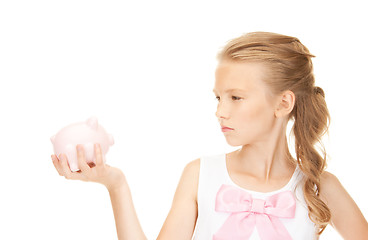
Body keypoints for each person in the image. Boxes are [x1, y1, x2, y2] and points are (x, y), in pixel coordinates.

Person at [51, 31, 368, 239]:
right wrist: (116, 185)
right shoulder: (201, 175)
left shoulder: (319, 187)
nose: (221, 111)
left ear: (283, 103)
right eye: (219, 97)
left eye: (236, 97)